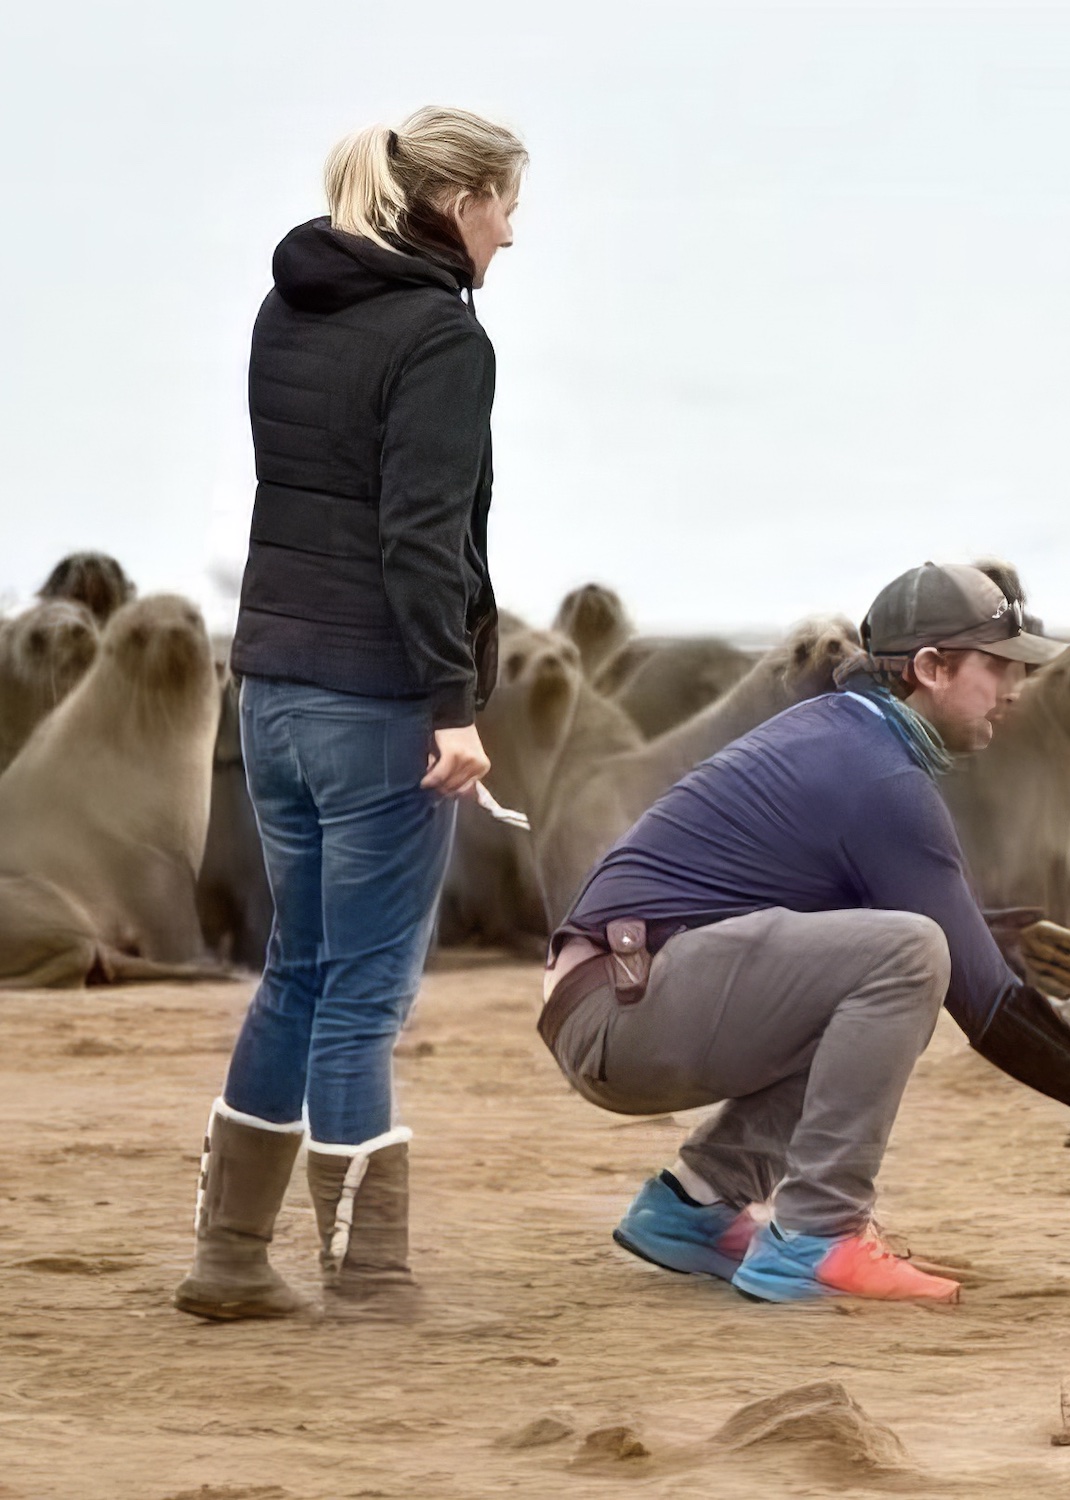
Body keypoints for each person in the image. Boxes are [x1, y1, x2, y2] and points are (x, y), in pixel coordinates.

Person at [540, 563, 1070, 1304]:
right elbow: (984, 1007)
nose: (1017, 689)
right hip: (622, 1010)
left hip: (616, 996)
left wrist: (984, 934)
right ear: (930, 668)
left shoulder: (846, 737)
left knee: (895, 965)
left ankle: (694, 1206)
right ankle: (819, 1234)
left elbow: (814, 920)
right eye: (1000, 666)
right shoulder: (878, 776)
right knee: (910, 958)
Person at [173, 107, 528, 1321]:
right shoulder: (441, 338)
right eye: (505, 208)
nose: (512, 237)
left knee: (299, 974)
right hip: (377, 702)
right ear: (458, 202)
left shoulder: (290, 308)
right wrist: (455, 706)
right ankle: (369, 1277)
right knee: (363, 997)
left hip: (269, 685)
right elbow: (419, 538)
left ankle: (228, 1261)